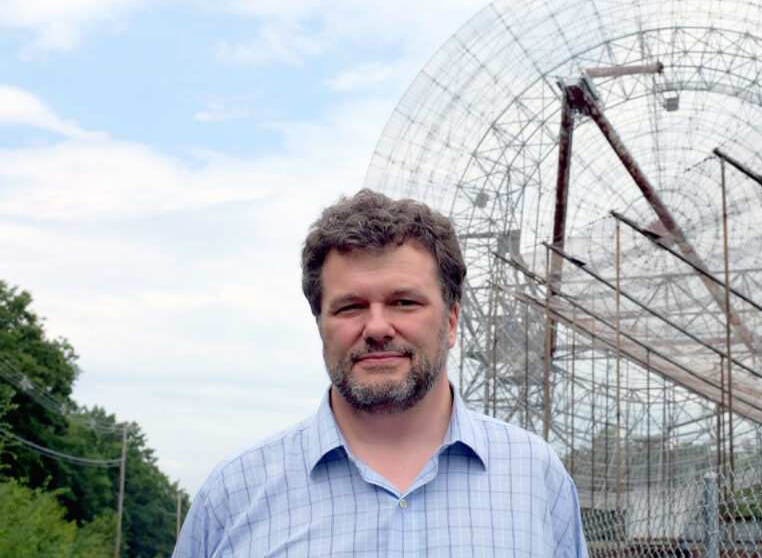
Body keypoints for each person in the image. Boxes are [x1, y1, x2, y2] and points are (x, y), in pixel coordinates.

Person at [173, 189, 589, 557]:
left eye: (404, 302)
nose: (376, 328)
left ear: (451, 322)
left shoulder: (537, 480)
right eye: (350, 307)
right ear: (321, 324)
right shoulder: (233, 495)